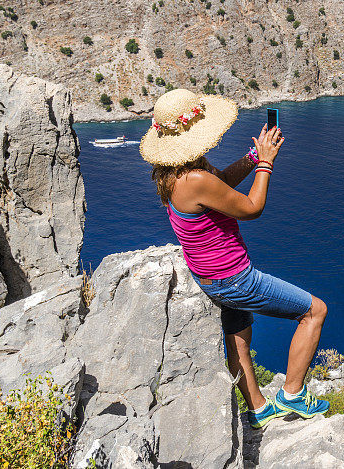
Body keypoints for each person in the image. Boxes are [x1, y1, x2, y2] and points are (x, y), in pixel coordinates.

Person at [139, 88, 329, 429]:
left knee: (239, 337)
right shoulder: (194, 178)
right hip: (235, 279)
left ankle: (258, 408)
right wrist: (267, 164)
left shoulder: (173, 174)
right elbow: (251, 208)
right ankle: (293, 395)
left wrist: (253, 157)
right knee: (314, 311)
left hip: (210, 277)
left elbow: (220, 185)